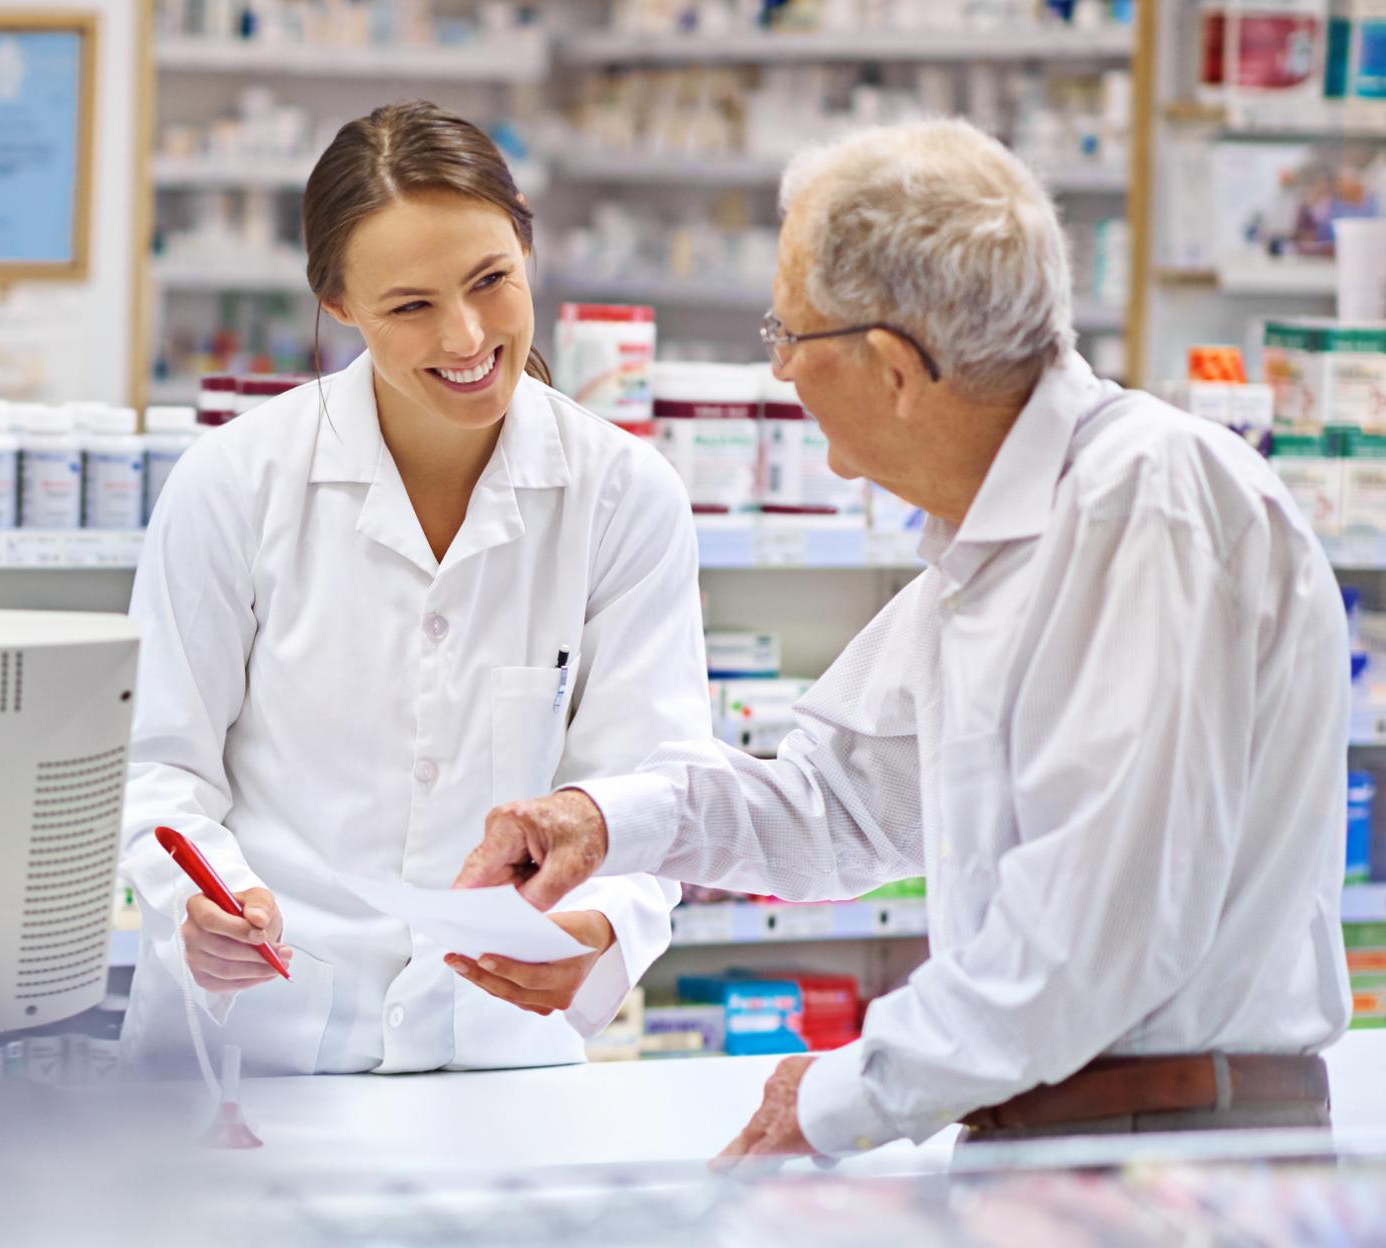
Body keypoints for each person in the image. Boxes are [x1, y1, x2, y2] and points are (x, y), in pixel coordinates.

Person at [456, 118, 1353, 1155]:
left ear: (888, 365)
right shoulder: (998, 541)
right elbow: (834, 805)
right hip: (1067, 1142)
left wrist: (840, 1098)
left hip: (1169, 1153)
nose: (780, 373)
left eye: (787, 335)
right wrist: (603, 820)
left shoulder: (1140, 508)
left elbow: (1089, 944)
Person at [117, 101, 710, 1079]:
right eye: (410, 306)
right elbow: (157, 767)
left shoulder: (621, 495)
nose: (467, 335)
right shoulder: (233, 483)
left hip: (497, 1055)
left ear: (528, 249)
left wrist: (601, 928)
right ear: (339, 304)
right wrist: (206, 902)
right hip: (257, 1052)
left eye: (491, 282)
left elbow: (653, 783)